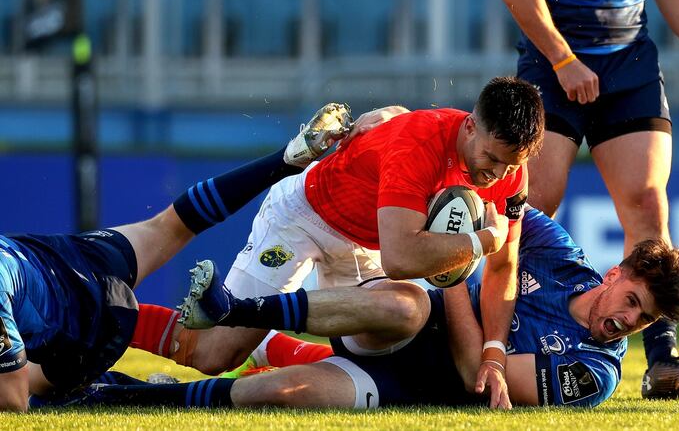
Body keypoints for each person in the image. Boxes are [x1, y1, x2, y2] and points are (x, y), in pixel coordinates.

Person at [128, 76, 544, 403]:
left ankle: (267, 347)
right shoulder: (419, 143)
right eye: (491, 158)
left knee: (373, 352)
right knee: (213, 355)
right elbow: (401, 258)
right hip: (305, 218)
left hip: (366, 243)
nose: (497, 174)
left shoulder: (510, 178)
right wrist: (478, 243)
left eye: (512, 164)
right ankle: (107, 316)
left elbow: (504, 266)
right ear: (470, 126)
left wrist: (493, 353)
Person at [65, 207, 679, 410]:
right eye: (632, 302)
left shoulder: (596, 373)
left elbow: (477, 370)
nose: (625, 323)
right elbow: (491, 201)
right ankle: (233, 310)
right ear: (617, 272)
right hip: (397, 309)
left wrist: (454, 277)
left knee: (278, 395)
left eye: (641, 323)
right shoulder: (559, 254)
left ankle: (111, 394)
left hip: (409, 382)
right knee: (405, 307)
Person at [0, 103, 353, 412]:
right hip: (70, 258)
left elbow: (13, 400)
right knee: (170, 225)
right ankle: (286, 158)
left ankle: (148, 393)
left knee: (45, 392)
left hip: (91, 324)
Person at [495, 0, 679, 398]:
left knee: (647, 203)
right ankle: (500, 338)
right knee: (531, 204)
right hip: (551, 54)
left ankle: (662, 360)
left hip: (628, 58)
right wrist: (562, 58)